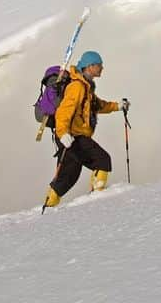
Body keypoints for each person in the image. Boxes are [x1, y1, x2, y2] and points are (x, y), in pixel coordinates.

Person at [43, 50, 129, 208]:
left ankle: (48, 206)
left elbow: (97, 105)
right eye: (99, 65)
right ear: (90, 67)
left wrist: (118, 106)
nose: (102, 68)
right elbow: (63, 112)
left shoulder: (86, 86)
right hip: (72, 136)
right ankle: (98, 198)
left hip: (73, 137)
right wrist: (62, 134)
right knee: (102, 160)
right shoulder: (77, 87)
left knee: (68, 176)